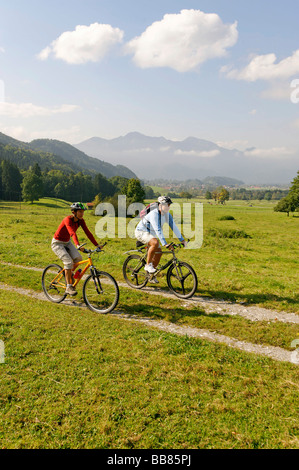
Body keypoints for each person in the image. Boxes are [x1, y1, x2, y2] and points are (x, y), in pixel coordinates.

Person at [51, 202, 102, 296]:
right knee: (68, 262)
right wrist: (78, 245)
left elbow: (88, 233)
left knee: (78, 258)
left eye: (83, 212)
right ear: (74, 212)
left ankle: (69, 273)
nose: (82, 213)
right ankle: (69, 287)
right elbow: (72, 233)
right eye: (80, 212)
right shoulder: (68, 219)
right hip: (57, 243)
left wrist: (97, 245)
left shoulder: (80, 221)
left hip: (67, 242)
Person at [135, 196, 187, 282]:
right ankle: (148, 265)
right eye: (166, 205)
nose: (168, 207)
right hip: (141, 232)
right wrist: (165, 244)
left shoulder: (167, 214)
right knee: (155, 243)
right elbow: (157, 229)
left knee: (159, 253)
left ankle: (150, 276)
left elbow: (173, 226)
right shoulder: (154, 214)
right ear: (160, 205)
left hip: (151, 234)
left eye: (169, 205)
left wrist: (182, 240)